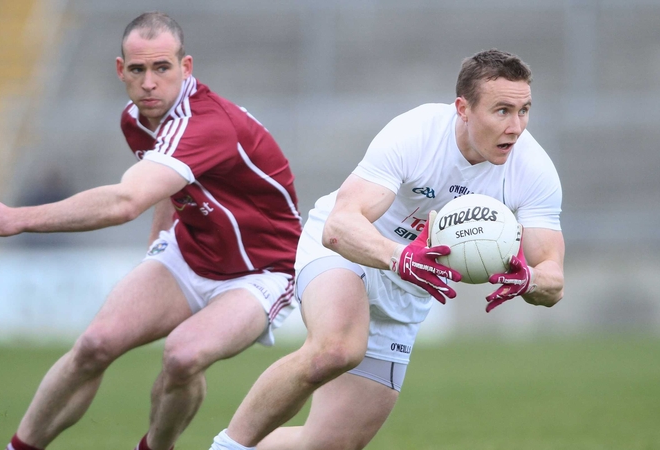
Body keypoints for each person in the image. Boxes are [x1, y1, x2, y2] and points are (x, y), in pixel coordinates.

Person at [0, 11, 302, 450]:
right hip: (190, 254)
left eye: (162, 68)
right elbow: (170, 186)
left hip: (261, 272)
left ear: (185, 68)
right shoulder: (136, 118)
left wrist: (17, 217)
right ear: (121, 71)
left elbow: (125, 201)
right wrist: (161, 245)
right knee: (95, 344)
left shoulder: (207, 123)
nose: (149, 82)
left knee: (183, 355)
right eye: (137, 69)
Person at [209, 49, 565, 450]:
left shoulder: (532, 170)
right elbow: (339, 225)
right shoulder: (417, 134)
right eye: (502, 110)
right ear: (463, 109)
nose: (516, 127)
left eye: (524, 110)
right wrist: (400, 257)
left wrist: (528, 278)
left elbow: (553, 279)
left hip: (409, 288)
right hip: (352, 253)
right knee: (336, 349)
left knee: (328, 444)